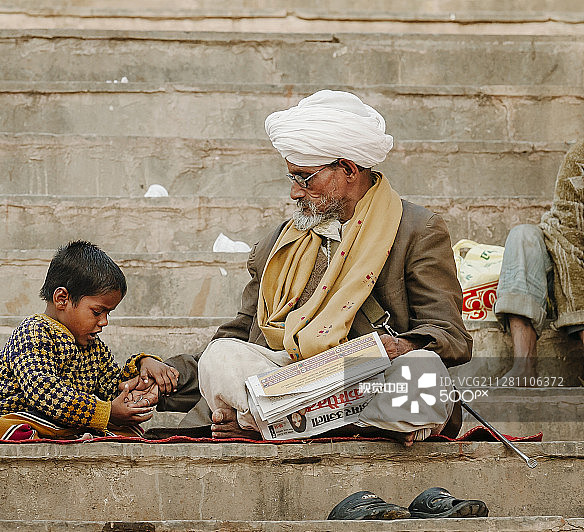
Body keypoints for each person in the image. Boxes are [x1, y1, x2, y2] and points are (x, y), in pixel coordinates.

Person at [154, 90, 473, 448]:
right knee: (222, 357)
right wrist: (168, 374)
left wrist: (398, 346)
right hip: (288, 377)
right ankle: (320, 424)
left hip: (364, 377)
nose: (294, 192)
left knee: (424, 376)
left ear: (348, 170)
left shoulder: (417, 229)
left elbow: (451, 336)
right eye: (291, 178)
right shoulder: (276, 244)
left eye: (305, 178)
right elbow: (238, 335)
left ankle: (272, 422)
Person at [0, 240, 179, 440]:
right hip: (23, 416)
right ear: (62, 299)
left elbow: (111, 387)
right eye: (97, 311)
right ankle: (57, 437)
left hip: (67, 425)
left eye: (108, 313)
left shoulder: (94, 347)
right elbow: (44, 392)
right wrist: (106, 413)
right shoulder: (33, 332)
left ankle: (68, 437)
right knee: (2, 428)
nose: (104, 321)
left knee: (132, 431)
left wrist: (142, 367)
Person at [495, 140, 584, 381]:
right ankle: (525, 366)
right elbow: (570, 230)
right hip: (567, 257)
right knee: (523, 236)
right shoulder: (580, 154)